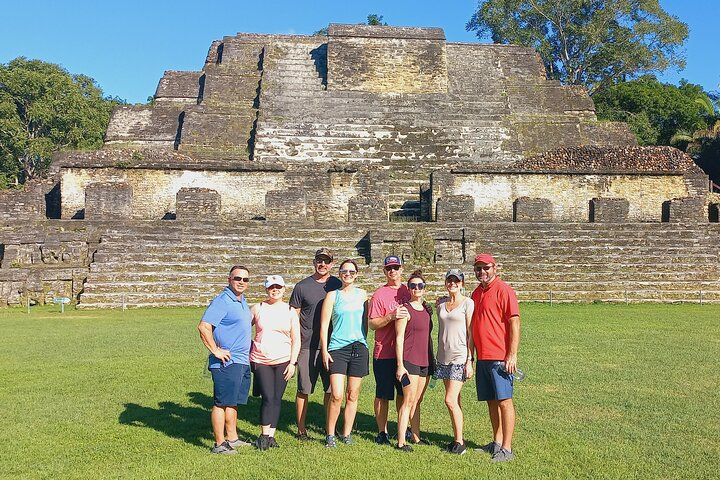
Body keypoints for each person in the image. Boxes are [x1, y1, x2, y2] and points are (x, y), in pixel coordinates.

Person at [197, 265, 253, 454]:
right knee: (221, 403)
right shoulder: (223, 301)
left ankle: (232, 438)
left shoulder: (241, 301)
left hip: (241, 361)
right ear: (229, 279)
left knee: (233, 401)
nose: (241, 282)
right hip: (226, 362)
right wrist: (216, 350)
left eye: (245, 279)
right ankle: (219, 444)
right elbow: (204, 327)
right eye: (238, 278)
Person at [471, 253, 521, 463]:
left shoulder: (504, 290)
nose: (482, 272)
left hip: (500, 357)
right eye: (478, 269)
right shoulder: (476, 293)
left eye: (486, 268)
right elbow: (473, 324)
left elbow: (514, 323)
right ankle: (497, 442)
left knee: (504, 402)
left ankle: (507, 449)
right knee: (491, 402)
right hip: (483, 357)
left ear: (495, 268)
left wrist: (512, 354)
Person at [288, 248, 342, 440]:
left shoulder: (338, 284)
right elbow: (293, 316)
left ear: (332, 264)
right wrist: (294, 343)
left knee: (331, 390)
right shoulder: (302, 286)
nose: (322, 264)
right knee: (304, 389)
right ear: (314, 262)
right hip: (307, 345)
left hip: (334, 345)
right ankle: (301, 430)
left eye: (326, 261)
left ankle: (330, 428)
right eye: (319, 260)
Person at [319, 260, 369, 448]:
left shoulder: (363, 294)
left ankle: (346, 433)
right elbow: (324, 326)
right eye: (344, 271)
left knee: (353, 394)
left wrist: (363, 340)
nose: (347, 274)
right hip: (337, 348)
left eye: (351, 271)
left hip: (358, 347)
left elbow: (365, 322)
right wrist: (324, 350)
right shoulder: (333, 295)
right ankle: (330, 434)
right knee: (337, 395)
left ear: (356, 274)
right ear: (339, 274)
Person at [249, 275, 301, 450]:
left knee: (277, 399)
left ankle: (271, 436)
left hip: (283, 360)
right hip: (261, 359)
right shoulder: (258, 308)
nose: (275, 290)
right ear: (266, 289)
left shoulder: (290, 311)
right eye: (272, 287)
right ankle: (263, 435)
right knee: (268, 397)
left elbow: (296, 339)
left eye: (278, 287)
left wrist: (292, 363)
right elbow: (242, 329)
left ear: (284, 289)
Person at [368, 255, 410, 445]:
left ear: (402, 269)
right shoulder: (379, 294)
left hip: (406, 353)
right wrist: (390, 316)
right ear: (384, 271)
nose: (392, 271)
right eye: (389, 268)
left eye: (396, 267)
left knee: (403, 393)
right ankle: (382, 431)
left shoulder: (409, 290)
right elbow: (372, 324)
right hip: (384, 352)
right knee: (383, 394)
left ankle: (404, 428)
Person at [435, 268, 475, 455]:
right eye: (449, 280)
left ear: (462, 283)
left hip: (460, 357)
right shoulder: (440, 305)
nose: (453, 283)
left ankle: (460, 443)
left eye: (456, 281)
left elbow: (471, 334)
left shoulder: (468, 303)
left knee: (449, 400)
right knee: (455, 401)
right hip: (443, 358)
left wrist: (469, 359)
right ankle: (456, 439)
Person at [394, 270, 434, 452]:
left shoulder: (426, 310)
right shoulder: (404, 310)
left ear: (424, 289)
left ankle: (416, 437)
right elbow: (399, 338)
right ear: (408, 289)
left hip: (425, 361)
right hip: (410, 361)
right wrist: (400, 365)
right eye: (413, 286)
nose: (416, 288)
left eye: (420, 286)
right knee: (408, 401)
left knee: (417, 401)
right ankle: (401, 441)